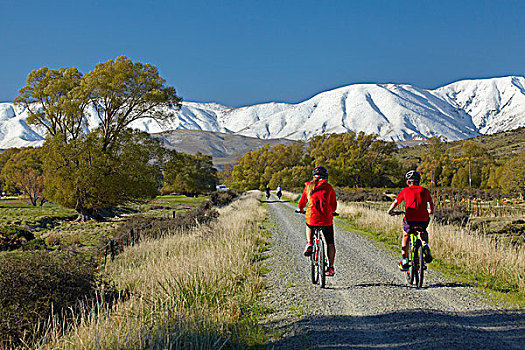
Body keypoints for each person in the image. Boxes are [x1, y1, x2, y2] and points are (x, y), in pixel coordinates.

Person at [387, 170, 434, 271]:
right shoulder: (425, 190)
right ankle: (425, 245)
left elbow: (396, 202)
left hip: (410, 219)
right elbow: (430, 203)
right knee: (423, 231)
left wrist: (390, 211)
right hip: (423, 219)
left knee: (406, 235)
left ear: (408, 182)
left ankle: (404, 260)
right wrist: (430, 210)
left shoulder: (405, 191)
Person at [298, 166, 338, 276]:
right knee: (330, 243)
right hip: (326, 219)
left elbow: (302, 202)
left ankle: (310, 243)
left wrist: (301, 209)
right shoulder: (329, 187)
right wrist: (332, 211)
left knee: (309, 224)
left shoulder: (308, 187)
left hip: (312, 217)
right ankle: (330, 267)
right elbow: (333, 204)